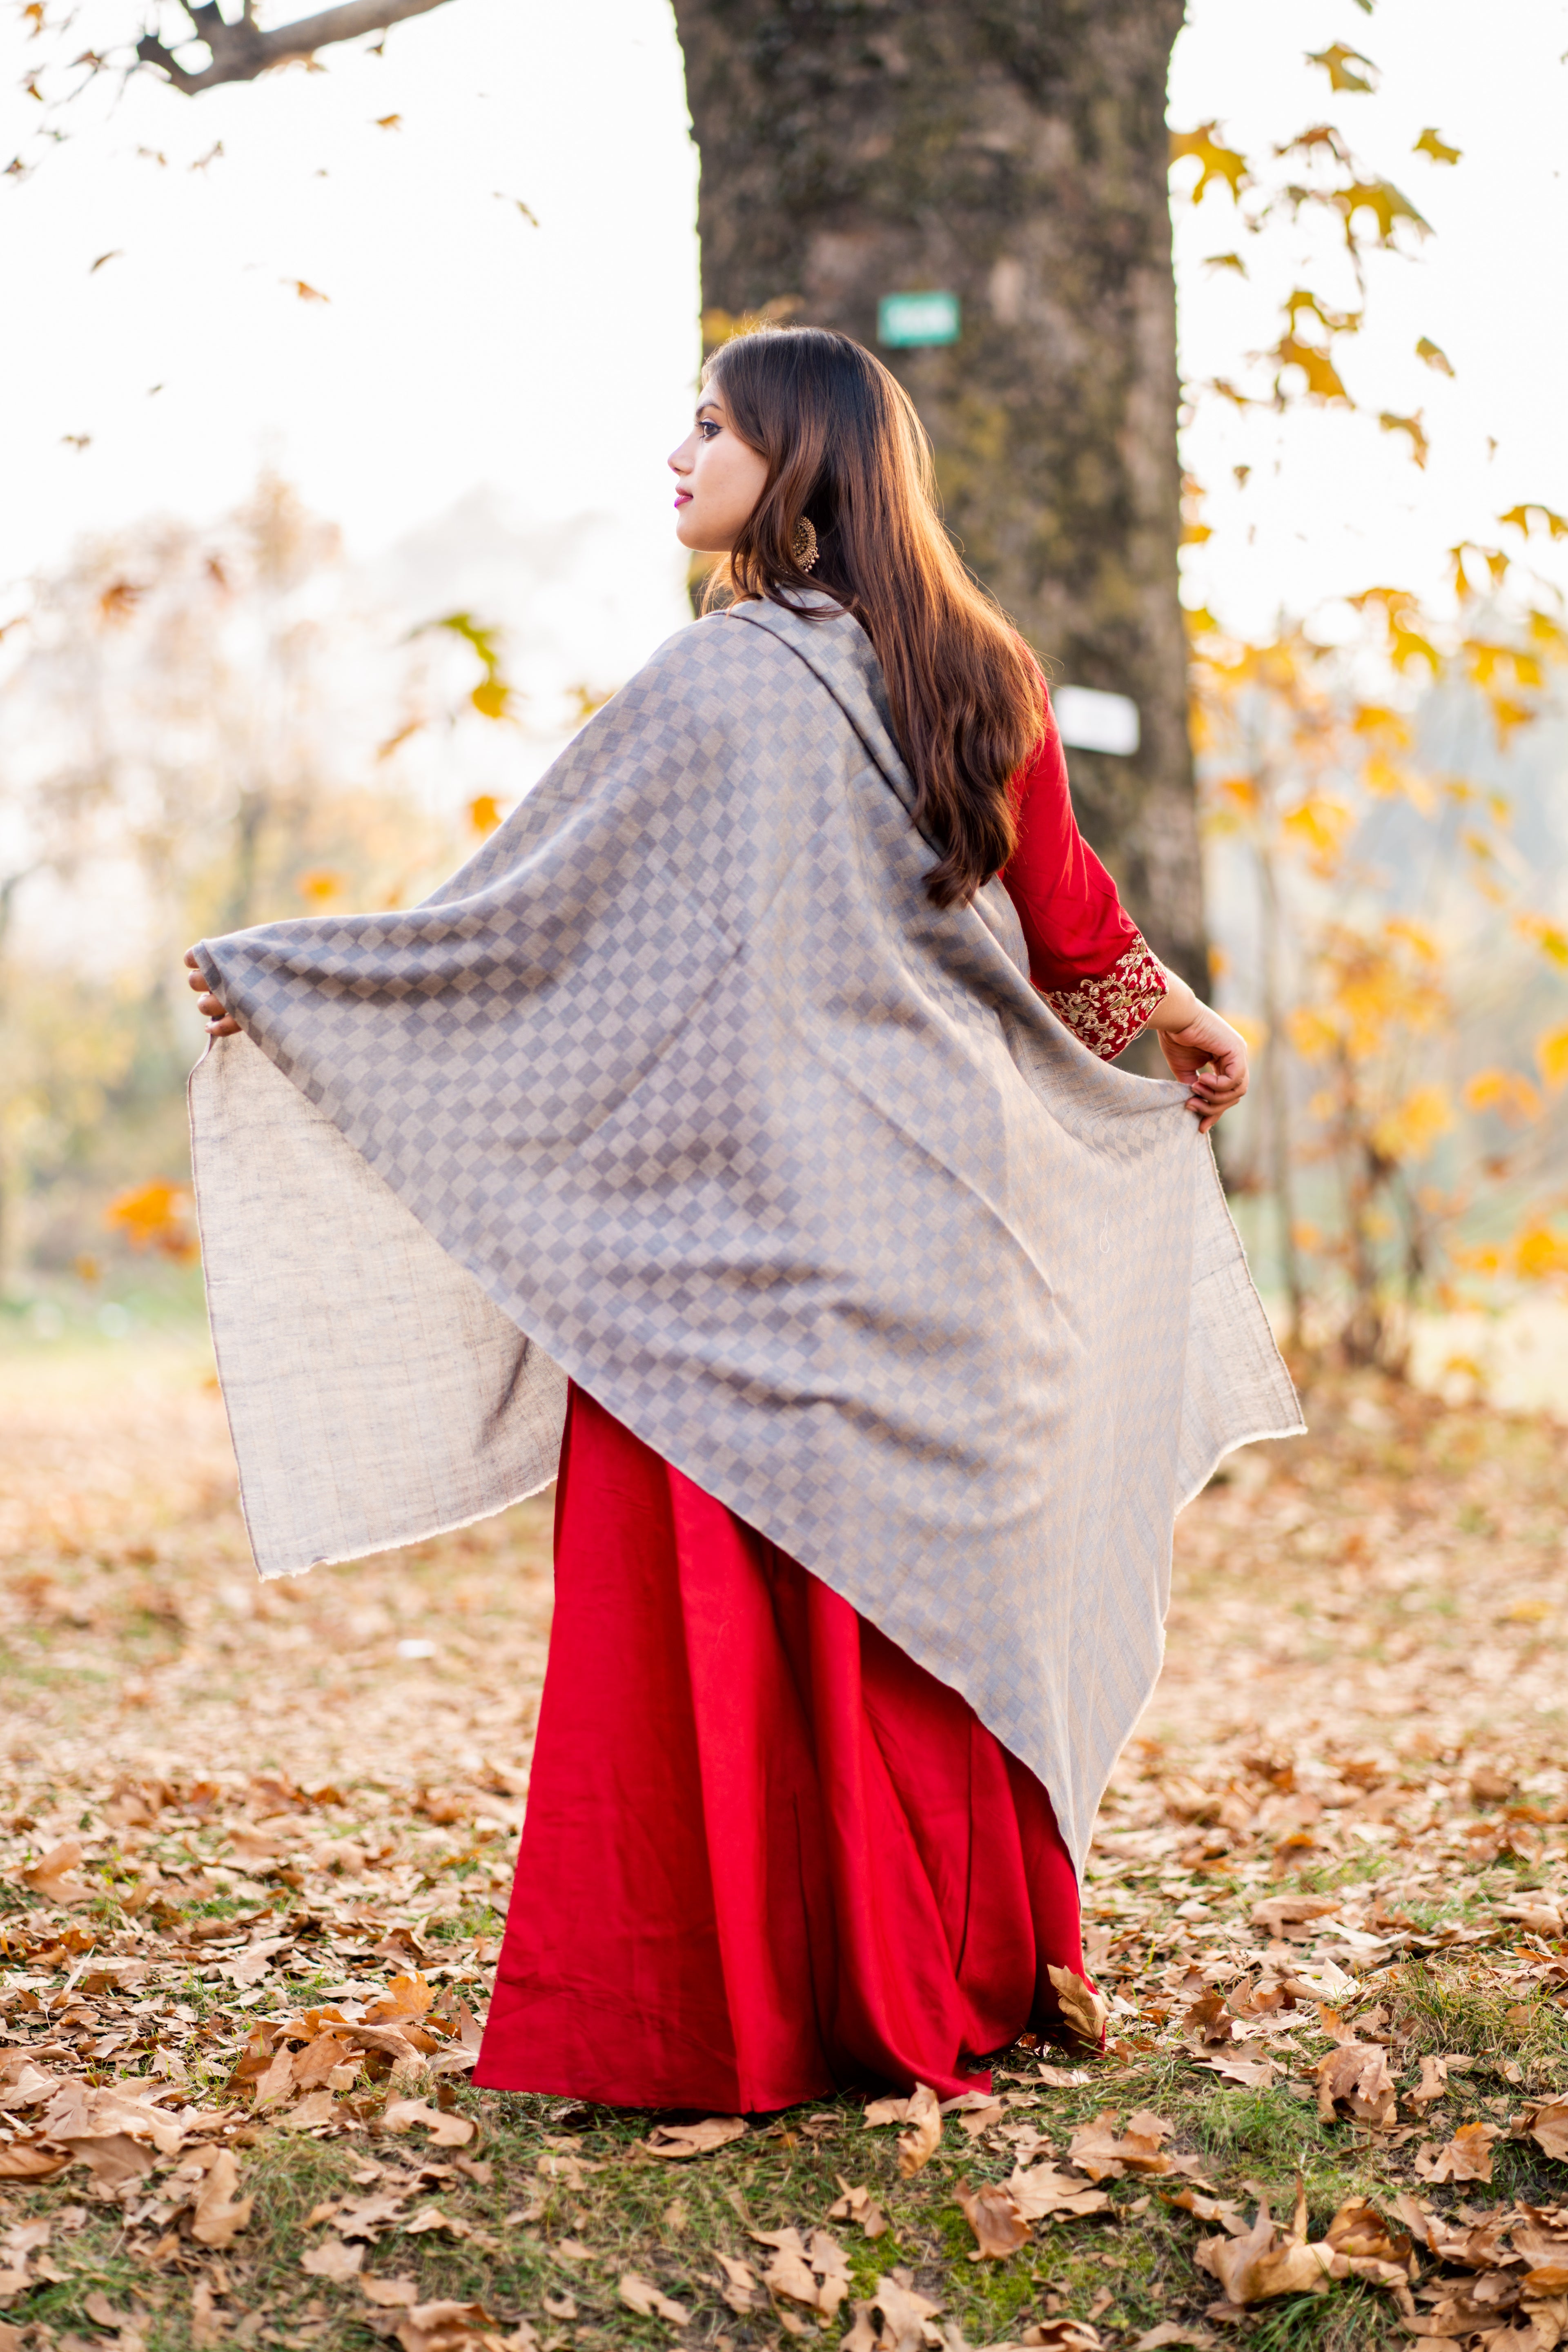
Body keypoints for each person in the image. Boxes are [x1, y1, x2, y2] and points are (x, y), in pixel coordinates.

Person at [186, 327, 1298, 2116]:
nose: (682, 450)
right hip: (949, 1227)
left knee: (761, 1614)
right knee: (914, 1606)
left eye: (718, 425)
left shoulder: (718, 685)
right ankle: (946, 1978)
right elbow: (1075, 927)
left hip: (732, 1254)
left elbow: (517, 926)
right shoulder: (981, 672)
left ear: (804, 461)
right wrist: (1185, 1023)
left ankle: (730, 2010)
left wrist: (299, 984)